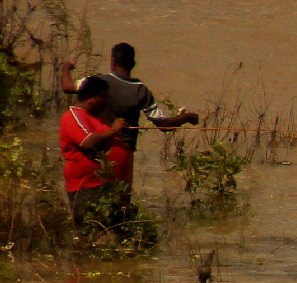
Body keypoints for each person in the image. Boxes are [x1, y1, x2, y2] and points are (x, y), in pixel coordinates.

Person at [59, 42, 200, 197]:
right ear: (133, 64)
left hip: (98, 148)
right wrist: (184, 117)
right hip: (124, 153)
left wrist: (66, 68)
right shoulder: (141, 91)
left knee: (98, 198)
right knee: (121, 201)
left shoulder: (100, 82)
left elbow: (67, 87)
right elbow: (163, 124)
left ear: (113, 62)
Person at [58, 76, 121, 227]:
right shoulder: (73, 116)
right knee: (87, 229)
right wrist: (113, 131)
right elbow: (87, 142)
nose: (106, 102)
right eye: (102, 97)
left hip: (101, 183)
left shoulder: (97, 117)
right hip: (84, 186)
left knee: (106, 229)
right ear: (88, 97)